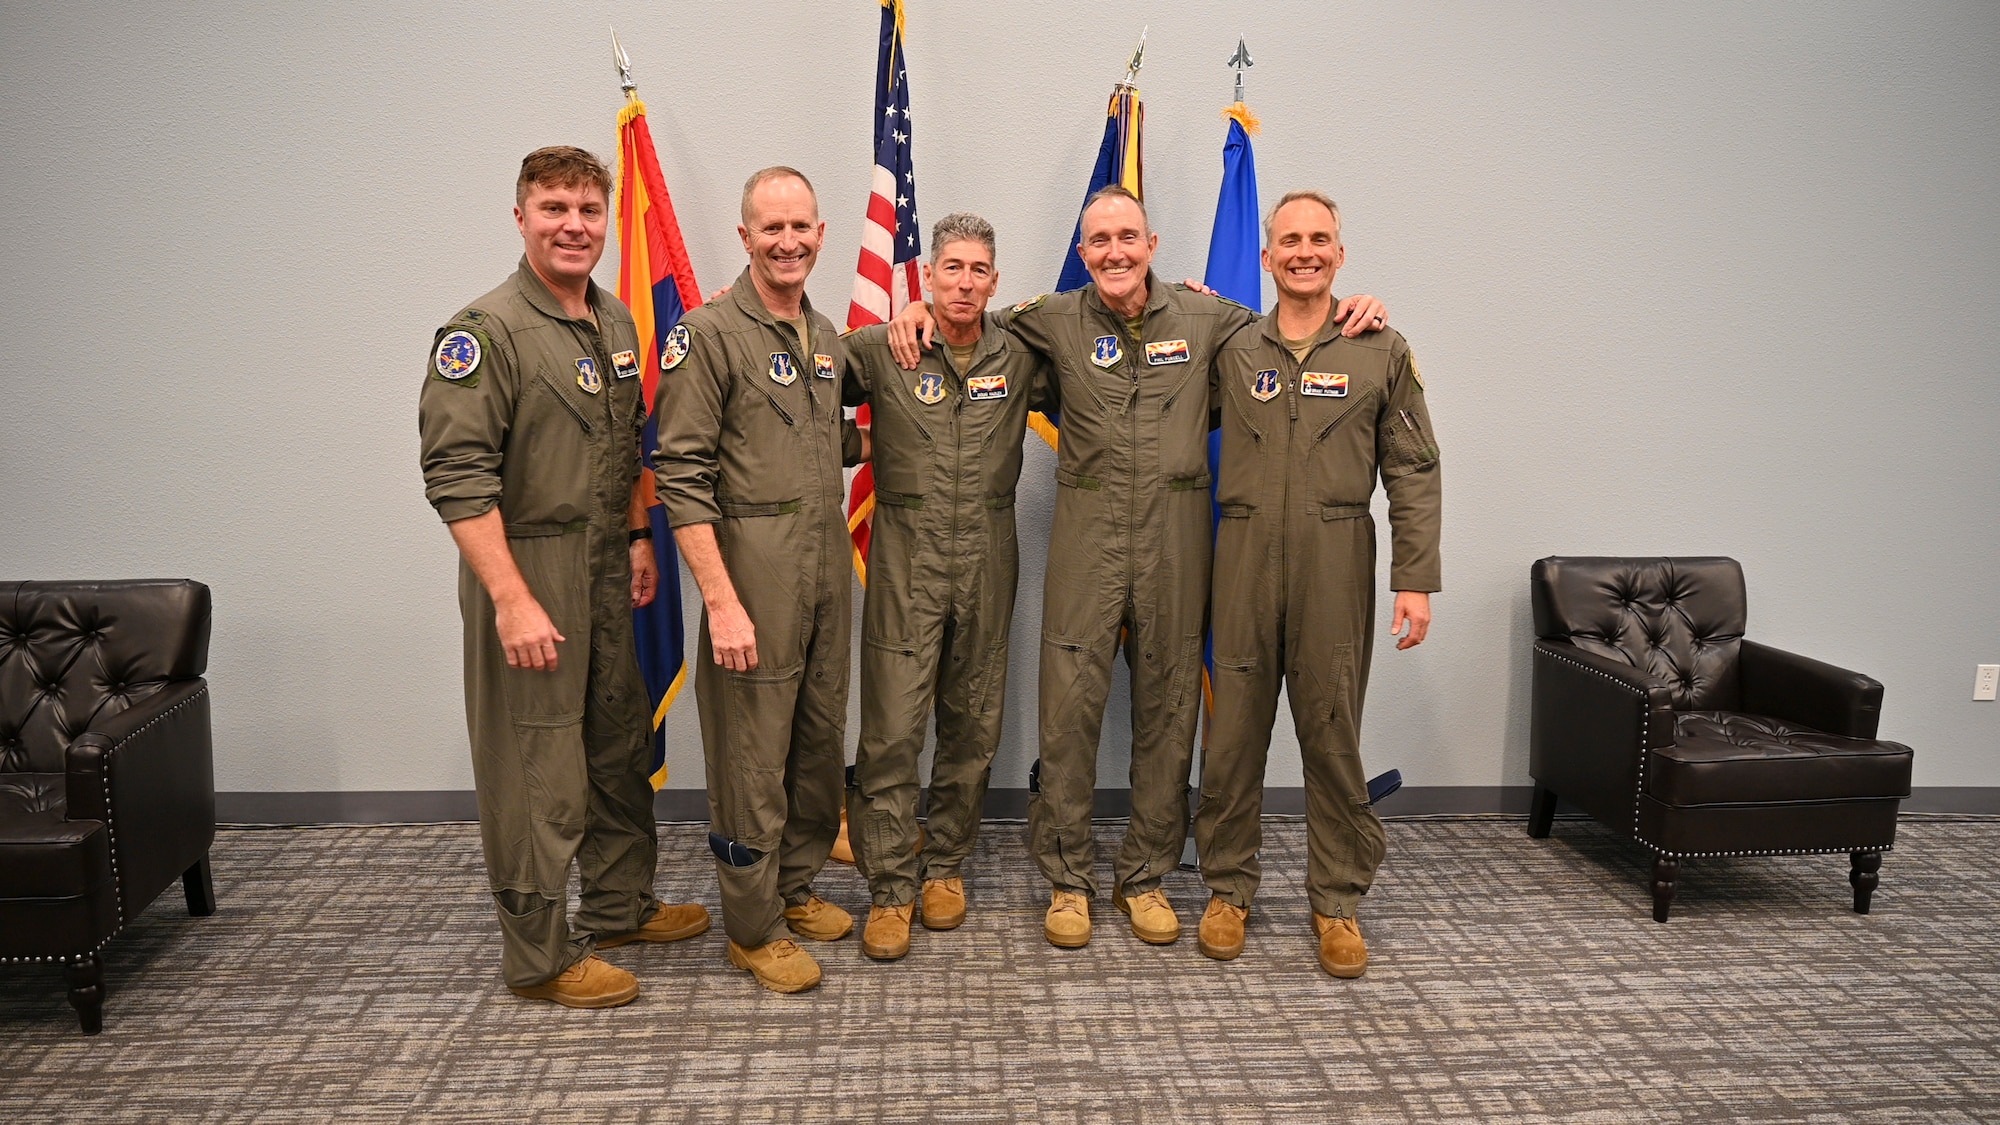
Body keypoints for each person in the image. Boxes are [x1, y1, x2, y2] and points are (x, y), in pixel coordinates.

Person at [892, 186, 1387, 949]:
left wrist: (1358, 310)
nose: (1115, 251)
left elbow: (1292, 334)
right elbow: (973, 330)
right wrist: (920, 314)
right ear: (1083, 253)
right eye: (1099, 241)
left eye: (1128, 236)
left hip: (1178, 529)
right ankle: (1066, 879)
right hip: (1088, 529)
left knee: (1168, 710)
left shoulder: (1210, 319)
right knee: (1068, 709)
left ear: (1152, 243)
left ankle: (1145, 875)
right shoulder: (1049, 319)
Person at [418, 146, 709, 1009]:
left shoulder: (614, 320)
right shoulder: (485, 332)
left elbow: (625, 447)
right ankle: (541, 957)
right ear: (521, 217)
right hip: (530, 563)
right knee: (536, 765)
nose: (574, 225)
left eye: (588, 209)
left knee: (616, 743)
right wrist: (510, 598)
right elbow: (458, 477)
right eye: (554, 208)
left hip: (606, 566)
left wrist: (636, 538)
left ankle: (618, 905)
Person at [1192, 190, 1441, 978]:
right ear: (1265, 256)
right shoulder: (1232, 347)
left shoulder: (1381, 348)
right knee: (1231, 735)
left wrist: (1414, 578)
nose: (1304, 251)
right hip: (1241, 550)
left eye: (1320, 239)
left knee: (1331, 731)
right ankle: (1228, 888)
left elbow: (1414, 469)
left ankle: (1337, 901)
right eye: (1289, 239)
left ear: (1340, 253)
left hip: (1337, 553)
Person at [653, 166, 868, 993]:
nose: (787, 242)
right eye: (769, 228)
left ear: (821, 234)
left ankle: (795, 885)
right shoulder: (709, 336)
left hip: (819, 580)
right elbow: (683, 473)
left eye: (801, 227)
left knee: (816, 746)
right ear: (744, 237)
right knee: (751, 760)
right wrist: (721, 600)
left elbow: (825, 445)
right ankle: (752, 926)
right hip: (751, 583)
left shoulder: (822, 338)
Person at [841, 213, 1053, 960]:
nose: (965, 282)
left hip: (990, 551)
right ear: (927, 277)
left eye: (979, 270)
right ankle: (892, 888)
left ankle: (945, 865)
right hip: (907, 548)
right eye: (951, 268)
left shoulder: (1022, 350)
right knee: (893, 729)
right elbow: (799, 404)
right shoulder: (881, 347)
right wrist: (862, 442)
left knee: (973, 720)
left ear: (995, 282)